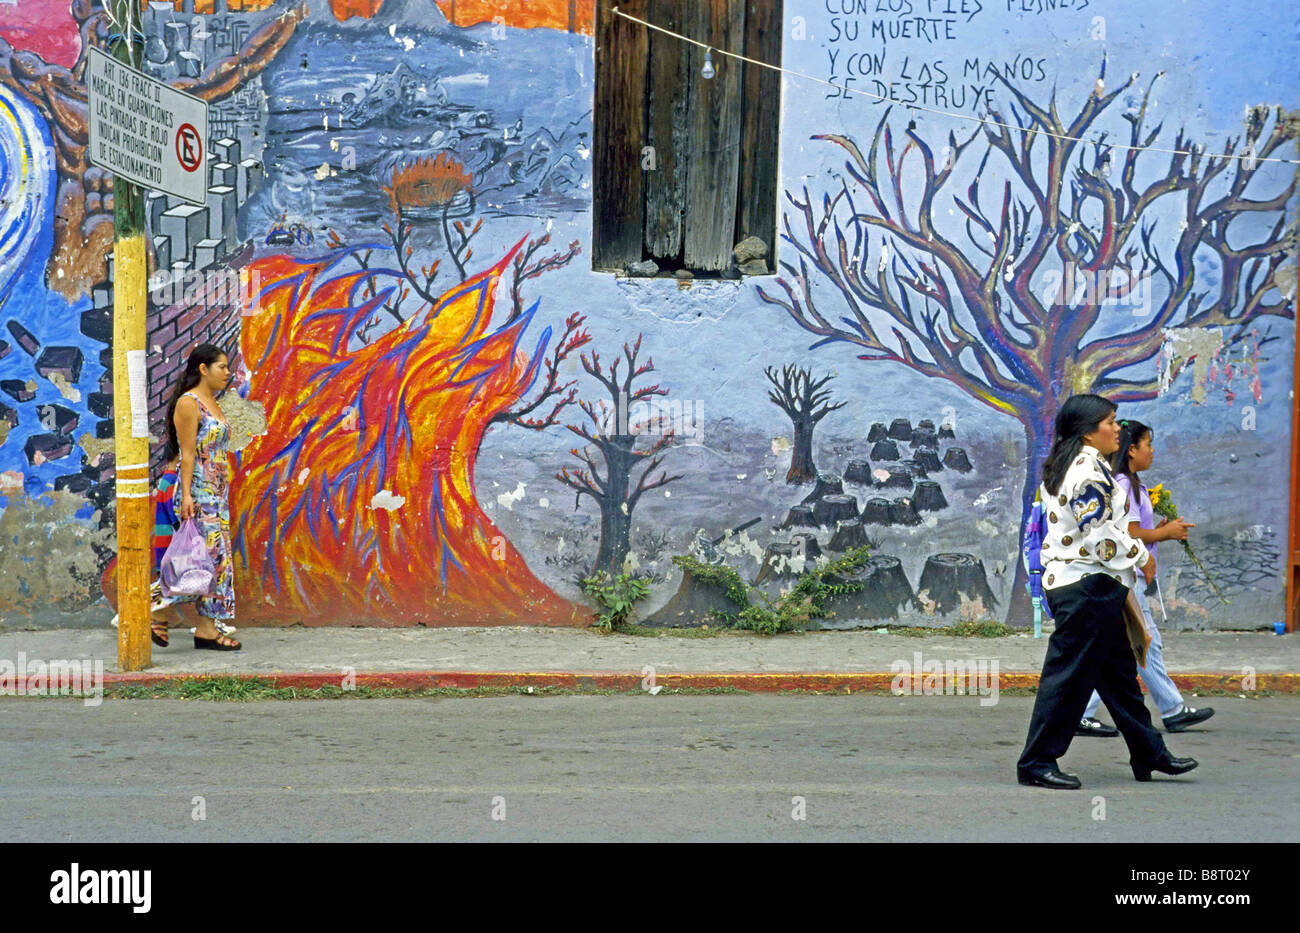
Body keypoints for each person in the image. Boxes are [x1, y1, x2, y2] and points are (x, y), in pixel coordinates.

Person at [1016, 394, 1196, 788]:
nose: (1118, 428)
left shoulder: (1075, 464)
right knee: (1066, 680)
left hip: (1092, 585)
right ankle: (1037, 762)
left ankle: (1149, 752)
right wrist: (1139, 555)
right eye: (1110, 421)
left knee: (1118, 675)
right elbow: (1100, 539)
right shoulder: (1087, 472)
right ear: (1088, 430)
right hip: (1087, 587)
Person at [1076, 419, 1213, 737]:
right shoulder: (1123, 482)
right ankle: (1173, 709)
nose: (1152, 451)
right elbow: (1130, 532)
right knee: (1144, 642)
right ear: (1132, 449)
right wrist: (1165, 533)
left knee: (1126, 645)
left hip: (1130, 574)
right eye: (1148, 444)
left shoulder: (1132, 484)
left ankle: (1085, 712)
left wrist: (1160, 529)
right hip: (1127, 575)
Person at [150, 344, 241, 650]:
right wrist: (187, 495)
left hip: (214, 494)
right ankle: (158, 612)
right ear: (203, 369)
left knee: (209, 559)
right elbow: (187, 454)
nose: (227, 373)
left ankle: (197, 626)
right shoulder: (189, 404)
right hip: (195, 492)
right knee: (198, 558)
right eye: (222, 367)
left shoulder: (213, 403)